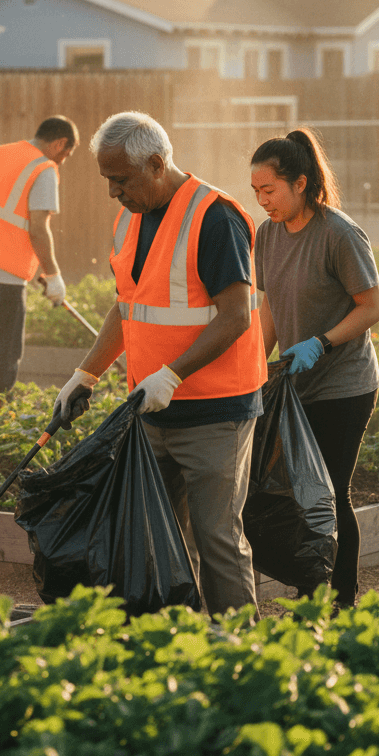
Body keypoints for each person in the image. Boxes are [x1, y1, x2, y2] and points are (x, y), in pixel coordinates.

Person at [53, 112, 266, 615]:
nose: (112, 192)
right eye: (107, 180)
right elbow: (128, 305)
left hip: (216, 412)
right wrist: (86, 374)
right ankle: (181, 648)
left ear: (155, 163)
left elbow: (235, 317)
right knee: (162, 538)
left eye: (119, 179)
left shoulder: (215, 218)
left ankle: (242, 657)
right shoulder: (130, 216)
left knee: (217, 539)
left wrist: (171, 375)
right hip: (152, 412)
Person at [250, 129, 379, 608]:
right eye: (257, 192)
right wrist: (255, 361)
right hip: (293, 384)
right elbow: (270, 305)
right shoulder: (267, 233)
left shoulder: (338, 234)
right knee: (299, 492)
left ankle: (338, 603)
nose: (263, 201)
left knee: (328, 491)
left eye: (270, 191)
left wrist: (320, 343)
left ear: (300, 183)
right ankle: (312, 598)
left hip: (344, 384)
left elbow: (373, 308)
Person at [0, 116, 79, 392]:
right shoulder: (43, 168)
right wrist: (53, 275)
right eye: (67, 154)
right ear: (60, 143)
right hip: (5, 279)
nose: (63, 161)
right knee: (3, 356)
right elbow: (38, 228)